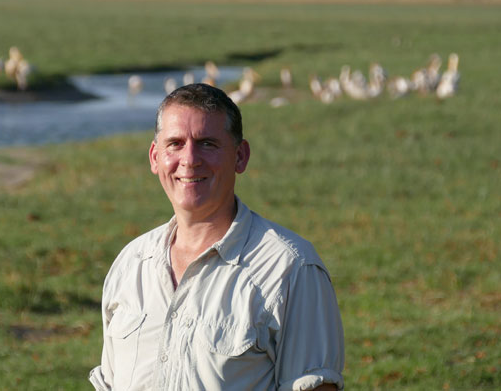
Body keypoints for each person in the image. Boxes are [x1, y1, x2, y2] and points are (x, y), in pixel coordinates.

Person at [89, 83, 345, 390]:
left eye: (207, 143)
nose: (190, 159)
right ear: (155, 158)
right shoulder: (130, 266)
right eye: (175, 144)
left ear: (240, 157)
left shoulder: (291, 270)